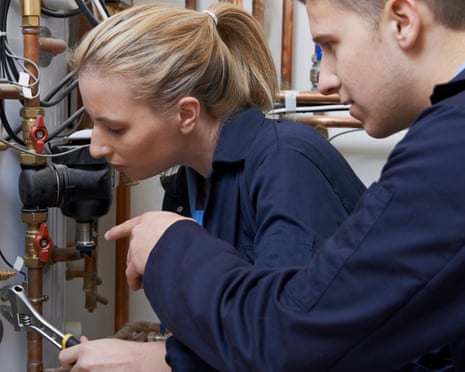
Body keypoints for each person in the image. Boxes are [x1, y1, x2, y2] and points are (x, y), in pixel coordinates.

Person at [89, 0, 465, 370]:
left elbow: (291, 343)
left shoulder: (446, 146)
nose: (327, 82)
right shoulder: (187, 185)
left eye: (331, 45)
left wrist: (168, 247)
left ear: (402, 21)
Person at [59, 2, 366, 370]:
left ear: (186, 114)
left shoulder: (287, 165)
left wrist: (155, 361)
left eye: (116, 128)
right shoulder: (190, 181)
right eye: (93, 123)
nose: (95, 147)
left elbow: (290, 348)